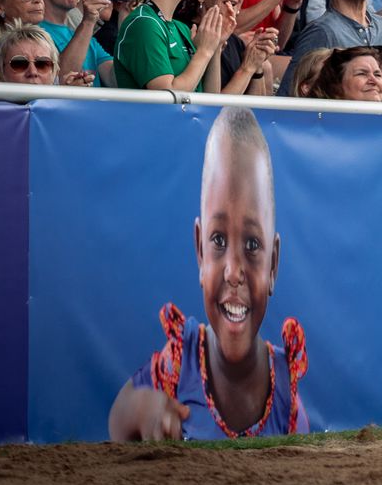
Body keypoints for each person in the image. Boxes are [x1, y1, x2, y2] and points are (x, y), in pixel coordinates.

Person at [108, 107, 306, 439]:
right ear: (200, 251)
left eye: (253, 244)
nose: (233, 272)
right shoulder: (177, 365)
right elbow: (119, 417)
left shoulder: (286, 391)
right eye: (218, 240)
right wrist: (145, 409)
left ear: (273, 265)